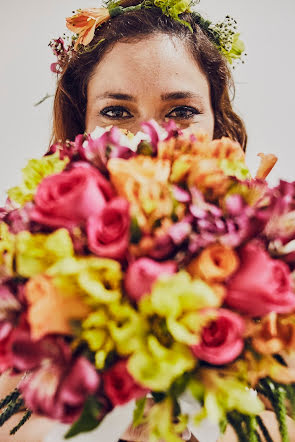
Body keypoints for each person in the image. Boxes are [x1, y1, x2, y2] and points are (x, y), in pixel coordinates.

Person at [0, 0, 294, 441]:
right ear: (80, 128)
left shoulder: (278, 272)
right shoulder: (18, 272)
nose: (147, 139)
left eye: (181, 111)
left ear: (219, 125)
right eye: (117, 112)